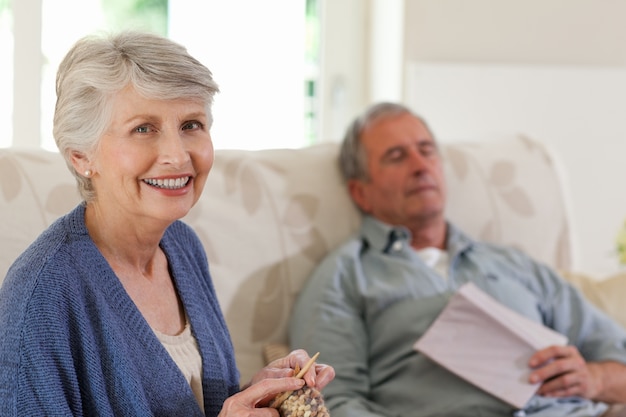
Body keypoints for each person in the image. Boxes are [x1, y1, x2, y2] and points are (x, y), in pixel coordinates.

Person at [0, 31, 333, 417]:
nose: (177, 155)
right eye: (143, 129)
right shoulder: (40, 298)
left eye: (191, 124)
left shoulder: (181, 245)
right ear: (80, 156)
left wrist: (257, 395)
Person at [289, 101, 626, 417]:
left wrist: (594, 379)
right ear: (360, 192)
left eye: (426, 151)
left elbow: (618, 358)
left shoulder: (514, 264)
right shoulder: (343, 275)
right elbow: (331, 402)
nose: (420, 166)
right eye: (396, 156)